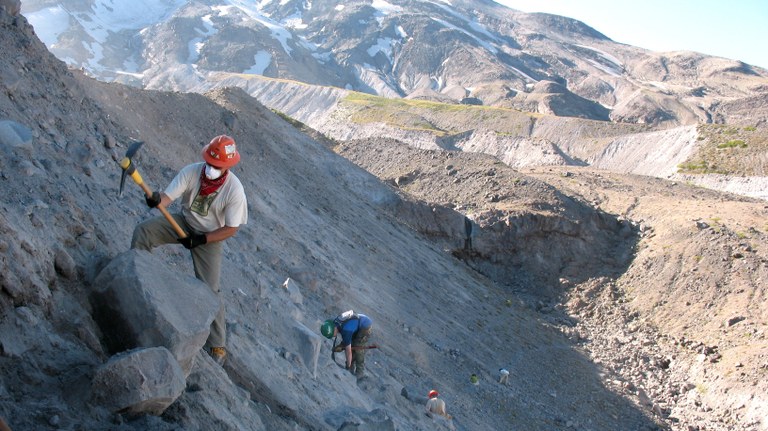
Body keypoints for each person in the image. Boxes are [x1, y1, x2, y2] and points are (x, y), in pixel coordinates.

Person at [131, 135, 247, 365]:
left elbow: (231, 229)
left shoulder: (234, 190)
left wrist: (202, 239)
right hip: (183, 222)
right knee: (144, 232)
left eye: (217, 166)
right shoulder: (192, 172)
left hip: (211, 237)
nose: (212, 169)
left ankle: (217, 345)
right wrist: (156, 200)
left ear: (227, 167)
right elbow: (167, 198)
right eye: (210, 163)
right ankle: (135, 283)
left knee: (210, 291)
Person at [320, 310, 373, 378]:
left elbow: (348, 352)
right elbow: (347, 339)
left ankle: (360, 372)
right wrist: (341, 346)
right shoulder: (335, 322)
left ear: (334, 329)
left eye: (332, 334)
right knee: (350, 344)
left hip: (365, 325)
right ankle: (351, 368)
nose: (333, 336)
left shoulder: (346, 330)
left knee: (358, 347)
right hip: (355, 323)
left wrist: (348, 366)